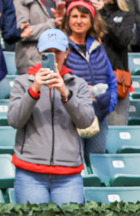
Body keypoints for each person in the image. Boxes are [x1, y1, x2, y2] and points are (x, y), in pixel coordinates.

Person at [9, 28, 95, 205]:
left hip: (68, 175)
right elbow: (15, 120)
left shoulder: (78, 85)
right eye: (48, 52)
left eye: (58, 52)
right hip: (30, 173)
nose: (54, 57)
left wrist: (65, 92)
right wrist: (34, 90)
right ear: (40, 53)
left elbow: (86, 121)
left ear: (66, 52)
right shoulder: (23, 82)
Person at [60, 0, 117, 155]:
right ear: (68, 20)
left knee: (96, 159)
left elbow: (111, 81)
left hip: (98, 115)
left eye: (84, 16)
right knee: (75, 161)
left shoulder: (98, 47)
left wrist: (108, 105)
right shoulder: (61, 47)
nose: (79, 21)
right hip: (71, 116)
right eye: (74, 16)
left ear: (91, 20)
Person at [88, 0, 137, 128]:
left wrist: (102, 13)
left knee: (116, 128)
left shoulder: (126, 14)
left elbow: (125, 40)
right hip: (90, 79)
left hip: (116, 81)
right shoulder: (84, 15)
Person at [14, 0, 66, 73]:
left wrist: (64, 23)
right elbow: (21, 31)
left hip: (58, 60)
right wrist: (52, 24)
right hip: (31, 61)